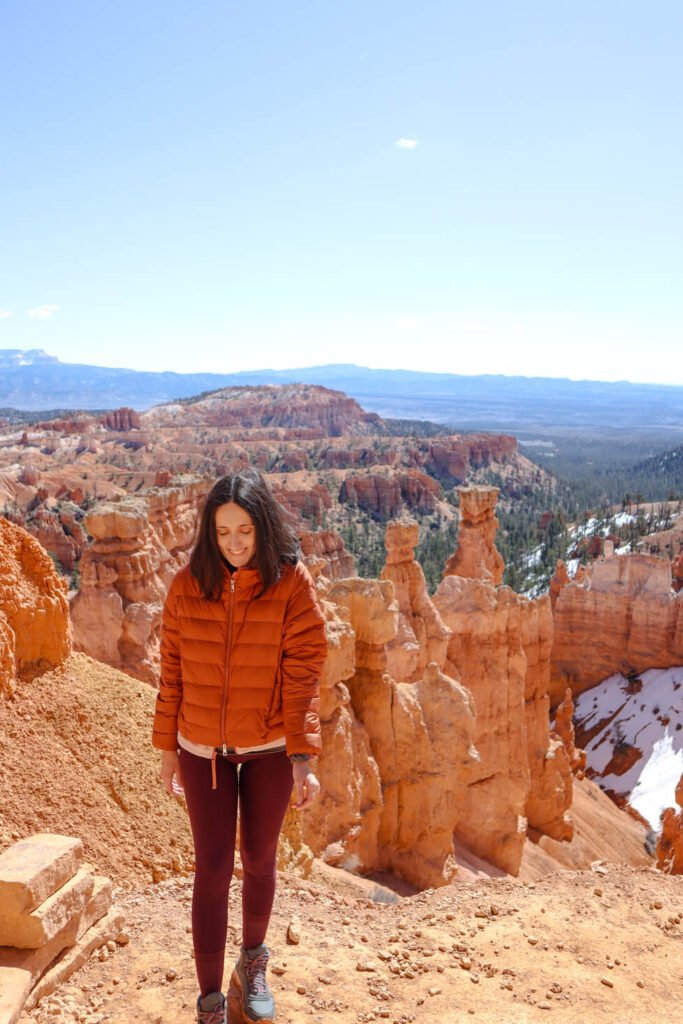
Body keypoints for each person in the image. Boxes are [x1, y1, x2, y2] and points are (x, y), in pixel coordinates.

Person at [152, 468, 327, 1024]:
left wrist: (302, 758)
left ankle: (251, 962)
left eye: (245, 531)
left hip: (271, 746)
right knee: (210, 867)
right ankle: (209, 1000)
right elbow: (171, 673)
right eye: (224, 532)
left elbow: (305, 672)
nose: (235, 544)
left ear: (263, 527)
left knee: (258, 857)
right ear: (210, 531)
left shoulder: (290, 582)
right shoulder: (186, 585)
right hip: (200, 750)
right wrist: (165, 749)